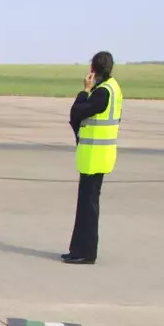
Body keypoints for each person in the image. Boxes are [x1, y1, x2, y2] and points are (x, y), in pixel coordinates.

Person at [65, 50, 123, 264]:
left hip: (94, 156)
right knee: (86, 205)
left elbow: (77, 112)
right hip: (101, 154)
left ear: (93, 69)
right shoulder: (113, 88)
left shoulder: (102, 93)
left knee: (88, 207)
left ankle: (86, 252)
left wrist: (84, 91)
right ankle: (78, 249)